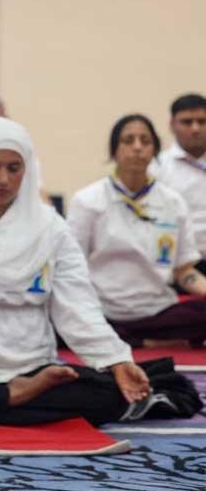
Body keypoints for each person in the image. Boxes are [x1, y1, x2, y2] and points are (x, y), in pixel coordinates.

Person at [0, 117, 199, 426]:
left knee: (105, 390)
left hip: (29, 364)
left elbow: (78, 308)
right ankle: (13, 397)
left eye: (14, 168)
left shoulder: (49, 226)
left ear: (26, 170)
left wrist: (116, 360)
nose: (2, 179)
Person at [67, 114, 206, 347]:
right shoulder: (87, 200)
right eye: (128, 140)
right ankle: (141, 340)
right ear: (114, 151)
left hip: (158, 311)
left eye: (145, 140)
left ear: (155, 151)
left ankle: (132, 339)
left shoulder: (173, 202)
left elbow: (185, 272)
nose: (137, 147)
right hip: (104, 310)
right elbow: (71, 267)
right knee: (58, 322)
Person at [157, 93, 206, 268]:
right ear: (172, 125)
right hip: (180, 265)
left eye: (202, 121)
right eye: (187, 122)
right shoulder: (157, 167)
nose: (195, 128)